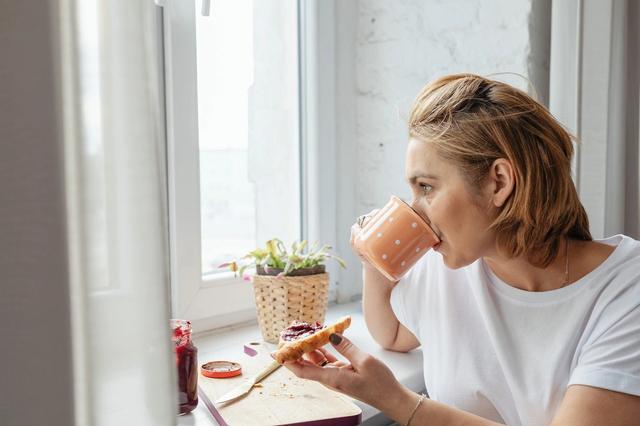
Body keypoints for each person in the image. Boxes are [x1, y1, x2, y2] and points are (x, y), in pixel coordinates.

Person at [282, 73, 640, 425]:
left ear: (498, 182)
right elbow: (391, 334)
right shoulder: (451, 264)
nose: (414, 211)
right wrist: (374, 263)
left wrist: (397, 401)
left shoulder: (627, 288)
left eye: (426, 187)